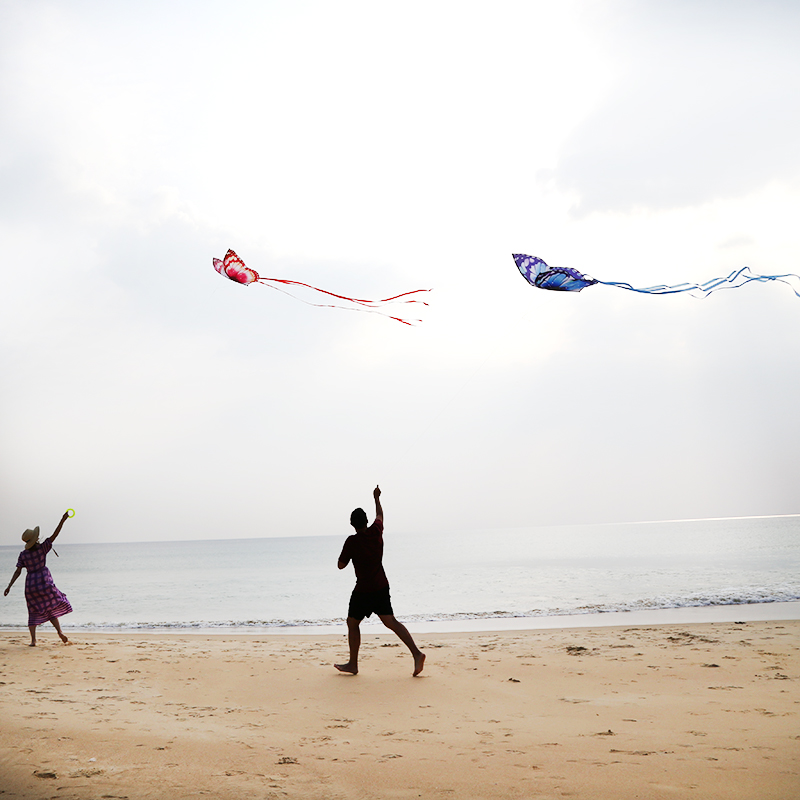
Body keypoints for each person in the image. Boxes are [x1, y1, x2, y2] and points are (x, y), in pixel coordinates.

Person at [335, 486, 425, 676]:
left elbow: (341, 565)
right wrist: (376, 498)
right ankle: (416, 654)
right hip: (381, 586)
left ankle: (353, 663)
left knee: (352, 623)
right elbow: (380, 515)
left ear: (352, 524)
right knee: (391, 621)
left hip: (363, 591)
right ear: (366, 521)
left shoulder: (352, 541)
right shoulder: (376, 531)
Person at [4, 511, 73, 646]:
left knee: (33, 611)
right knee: (51, 607)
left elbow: (17, 572)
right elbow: (55, 535)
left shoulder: (23, 555)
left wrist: (9, 586)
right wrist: (63, 520)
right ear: (36, 539)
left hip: (31, 585)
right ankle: (59, 632)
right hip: (44, 582)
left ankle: (34, 640)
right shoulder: (42, 549)